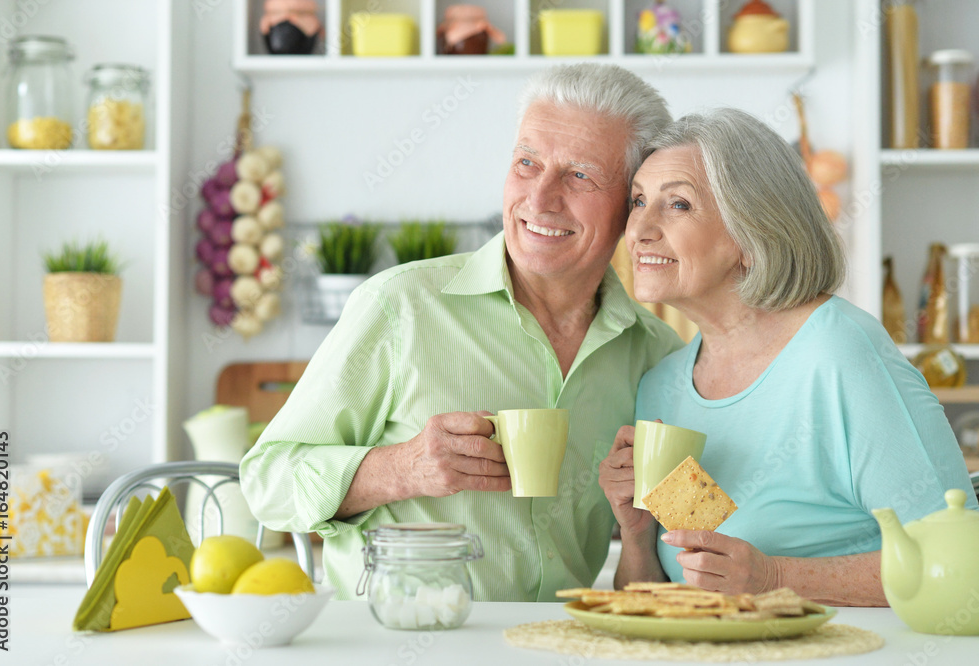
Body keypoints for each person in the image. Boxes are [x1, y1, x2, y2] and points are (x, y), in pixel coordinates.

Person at [240, 63, 685, 601]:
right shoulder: (400, 305)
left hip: (554, 645)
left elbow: (658, 572)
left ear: (632, 207)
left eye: (580, 175)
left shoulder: (657, 357)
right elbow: (266, 481)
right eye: (527, 163)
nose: (540, 198)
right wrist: (401, 469)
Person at [599, 107, 978, 606]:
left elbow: (959, 561)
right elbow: (656, 598)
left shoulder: (838, 352)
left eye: (678, 205)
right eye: (638, 201)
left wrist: (773, 576)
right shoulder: (662, 386)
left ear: (752, 235)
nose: (639, 230)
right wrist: (637, 530)